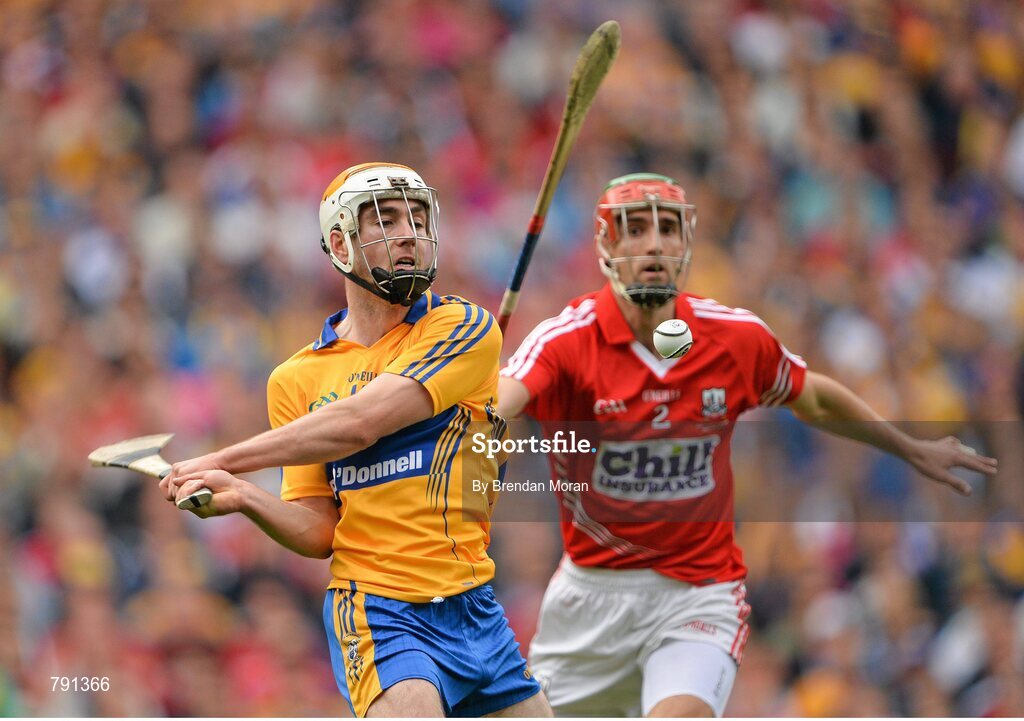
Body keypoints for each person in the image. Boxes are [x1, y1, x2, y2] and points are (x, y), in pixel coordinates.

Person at [496, 173, 998, 717]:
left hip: (698, 596)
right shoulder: (565, 340)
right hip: (590, 598)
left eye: (667, 229)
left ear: (686, 244)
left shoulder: (732, 337)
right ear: (607, 247)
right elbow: (501, 402)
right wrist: (483, 429)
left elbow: (814, 398)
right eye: (635, 230)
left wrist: (908, 446)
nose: (654, 244)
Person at [160, 162, 550, 718]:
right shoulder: (295, 378)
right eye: (386, 220)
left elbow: (361, 422)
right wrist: (246, 497)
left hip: (473, 606)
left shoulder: (464, 328)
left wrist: (226, 459)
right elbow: (321, 532)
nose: (409, 233)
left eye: (418, 218)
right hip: (379, 612)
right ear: (341, 243)